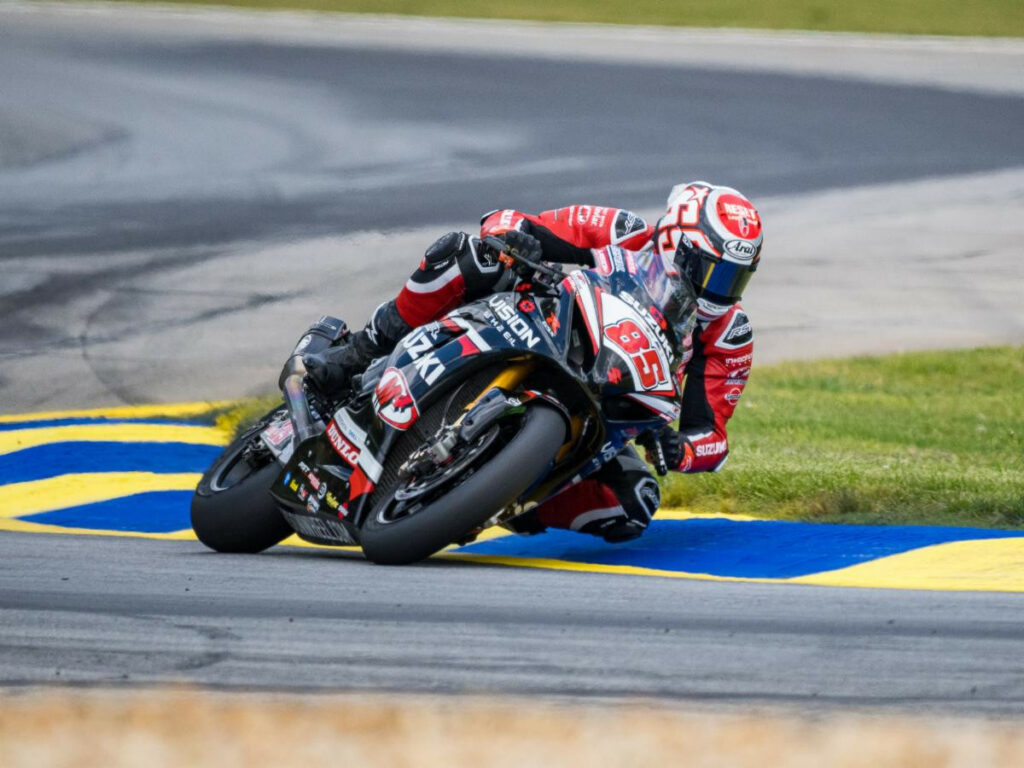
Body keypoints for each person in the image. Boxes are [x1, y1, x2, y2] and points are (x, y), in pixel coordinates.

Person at [301, 181, 763, 542]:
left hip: (609, 408)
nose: (717, 289)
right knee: (469, 255)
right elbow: (512, 219)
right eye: (711, 270)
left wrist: (681, 449)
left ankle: (502, 498)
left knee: (633, 504)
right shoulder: (623, 232)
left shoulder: (728, 335)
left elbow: (713, 438)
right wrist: (512, 237)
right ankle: (362, 349)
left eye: (733, 278)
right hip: (539, 322)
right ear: (673, 242)